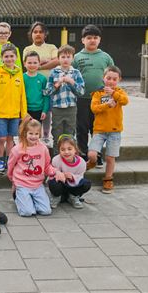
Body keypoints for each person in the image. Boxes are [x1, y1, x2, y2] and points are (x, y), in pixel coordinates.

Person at [7, 118, 65, 217]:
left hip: (37, 185)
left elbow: (47, 166)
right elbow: (10, 167)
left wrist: (56, 172)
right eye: (31, 133)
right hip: (22, 184)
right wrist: (13, 181)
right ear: (25, 133)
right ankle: (18, 196)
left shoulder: (43, 149)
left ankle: (30, 200)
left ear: (40, 134)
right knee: (27, 212)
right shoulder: (17, 150)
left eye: (36, 134)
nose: (34, 137)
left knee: (46, 211)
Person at [73, 25, 114, 162]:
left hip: (101, 98)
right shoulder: (77, 58)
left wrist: (112, 93)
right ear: (82, 40)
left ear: (99, 40)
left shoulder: (105, 57)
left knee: (98, 128)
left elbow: (112, 76)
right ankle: (83, 153)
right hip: (82, 98)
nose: (92, 40)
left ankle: (97, 154)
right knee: (82, 127)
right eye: (89, 38)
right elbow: (72, 76)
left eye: (95, 38)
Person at [87, 66, 129, 194]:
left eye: (114, 79)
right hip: (99, 130)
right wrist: (106, 105)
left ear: (119, 80)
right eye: (108, 78)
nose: (111, 81)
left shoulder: (120, 92)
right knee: (92, 154)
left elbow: (125, 101)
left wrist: (114, 94)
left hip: (114, 131)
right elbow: (94, 108)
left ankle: (108, 179)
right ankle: (92, 162)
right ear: (103, 78)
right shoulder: (97, 93)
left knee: (110, 157)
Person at [0, 44, 27, 175]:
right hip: (0, 113)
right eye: (6, 56)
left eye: (12, 56)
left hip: (15, 114)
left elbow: (22, 94)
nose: (9, 59)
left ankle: (10, 161)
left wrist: (24, 113)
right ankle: (0, 160)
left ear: (16, 57)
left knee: (11, 139)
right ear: (1, 58)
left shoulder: (19, 73)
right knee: (2, 139)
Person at [23, 22, 59, 144]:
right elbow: (28, 63)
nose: (38, 34)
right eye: (35, 32)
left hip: (49, 83)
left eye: (40, 32)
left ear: (45, 34)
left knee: (47, 110)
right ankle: (29, 136)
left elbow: (57, 61)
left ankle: (45, 135)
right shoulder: (28, 49)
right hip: (32, 83)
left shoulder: (51, 47)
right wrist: (45, 61)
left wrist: (39, 67)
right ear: (31, 34)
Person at [44, 45, 85, 151]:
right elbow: (47, 92)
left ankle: (69, 158)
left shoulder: (76, 73)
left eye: (68, 57)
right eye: (63, 57)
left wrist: (71, 82)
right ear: (58, 58)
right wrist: (57, 84)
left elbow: (81, 91)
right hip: (57, 108)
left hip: (71, 107)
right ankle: (56, 158)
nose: (65, 59)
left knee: (70, 133)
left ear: (72, 58)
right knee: (57, 133)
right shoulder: (54, 72)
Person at [48, 135, 91, 209]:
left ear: (75, 150)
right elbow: (51, 174)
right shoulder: (56, 160)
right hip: (61, 184)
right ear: (59, 150)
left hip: (73, 186)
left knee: (86, 183)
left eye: (69, 149)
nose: (66, 152)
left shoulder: (82, 162)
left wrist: (72, 177)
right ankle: (57, 196)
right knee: (53, 182)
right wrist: (58, 174)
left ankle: (73, 196)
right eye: (63, 149)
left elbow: (80, 176)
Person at [0, 22, 22, 88]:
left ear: (10, 34)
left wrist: (20, 82)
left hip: (11, 82)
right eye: (1, 33)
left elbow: (18, 66)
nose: (3, 35)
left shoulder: (15, 49)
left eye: (6, 33)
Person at [23, 51, 49, 123]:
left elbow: (46, 96)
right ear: (24, 63)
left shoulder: (43, 79)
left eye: (35, 63)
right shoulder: (21, 78)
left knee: (36, 132)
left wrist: (44, 110)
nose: (32, 65)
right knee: (24, 132)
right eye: (29, 63)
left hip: (39, 111)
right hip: (25, 110)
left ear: (39, 63)